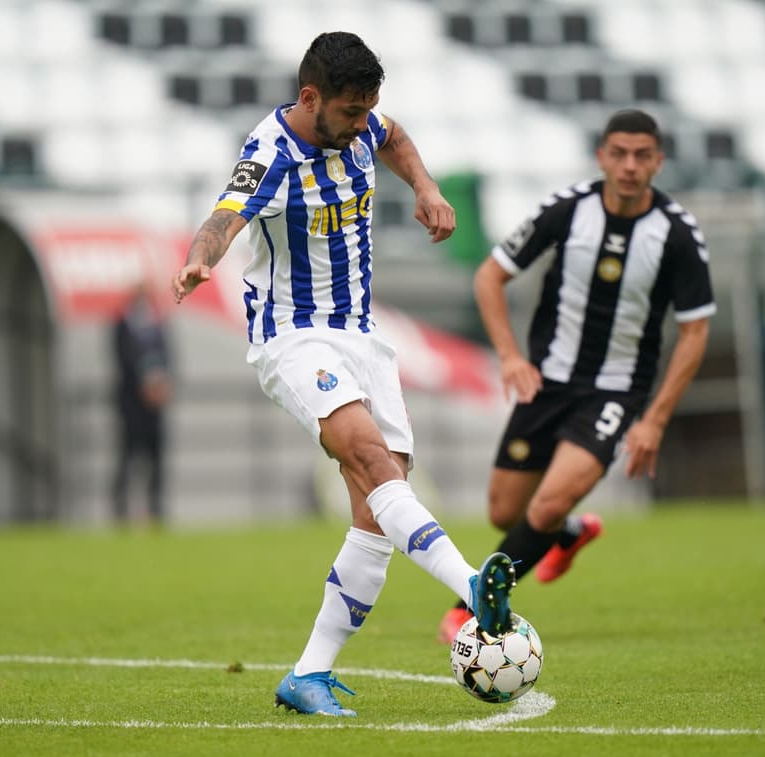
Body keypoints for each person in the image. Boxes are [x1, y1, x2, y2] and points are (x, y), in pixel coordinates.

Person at [170, 31, 515, 717]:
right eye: (351, 113)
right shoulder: (269, 152)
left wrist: (425, 185)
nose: (363, 126)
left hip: (362, 335)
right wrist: (199, 259)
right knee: (367, 457)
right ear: (309, 98)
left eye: (367, 111)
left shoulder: (361, 126)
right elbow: (223, 217)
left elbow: (395, 137)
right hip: (293, 340)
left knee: (376, 511)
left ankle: (309, 674)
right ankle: (474, 586)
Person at [434, 109, 715, 643]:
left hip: (614, 391)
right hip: (548, 382)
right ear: (602, 156)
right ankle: (566, 534)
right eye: (619, 153)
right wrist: (511, 357)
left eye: (642, 155)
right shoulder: (568, 211)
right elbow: (490, 276)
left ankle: (468, 607)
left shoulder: (676, 233)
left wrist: (654, 419)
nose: (630, 166)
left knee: (546, 502)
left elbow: (696, 333)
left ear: (657, 161)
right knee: (506, 511)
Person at [111, 286, 171, 524]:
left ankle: (156, 511)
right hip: (131, 405)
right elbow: (121, 359)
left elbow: (169, 356)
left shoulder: (158, 324)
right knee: (128, 456)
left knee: (156, 459)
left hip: (155, 407)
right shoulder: (121, 325)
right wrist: (143, 385)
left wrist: (161, 386)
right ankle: (121, 510)